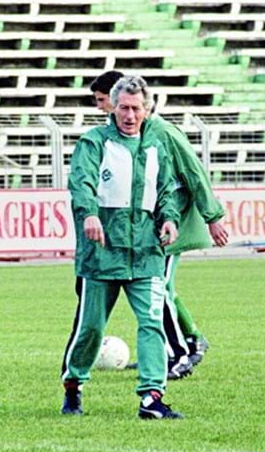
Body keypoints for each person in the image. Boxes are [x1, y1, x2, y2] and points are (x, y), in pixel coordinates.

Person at [88, 70, 227, 379]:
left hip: (167, 226)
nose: (101, 108)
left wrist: (213, 217)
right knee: (163, 288)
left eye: (101, 101)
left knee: (158, 289)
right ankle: (185, 343)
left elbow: (193, 173)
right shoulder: (122, 139)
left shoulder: (161, 132)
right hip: (144, 228)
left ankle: (181, 352)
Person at [60, 75, 183, 419]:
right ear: (114, 107)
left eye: (136, 108)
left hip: (146, 252)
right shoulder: (94, 142)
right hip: (101, 253)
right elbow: (81, 183)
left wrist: (169, 219)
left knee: (151, 322)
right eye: (124, 108)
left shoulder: (156, 146)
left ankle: (151, 397)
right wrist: (89, 215)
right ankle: (73, 383)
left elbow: (166, 193)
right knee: (92, 329)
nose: (130, 115)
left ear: (147, 110)